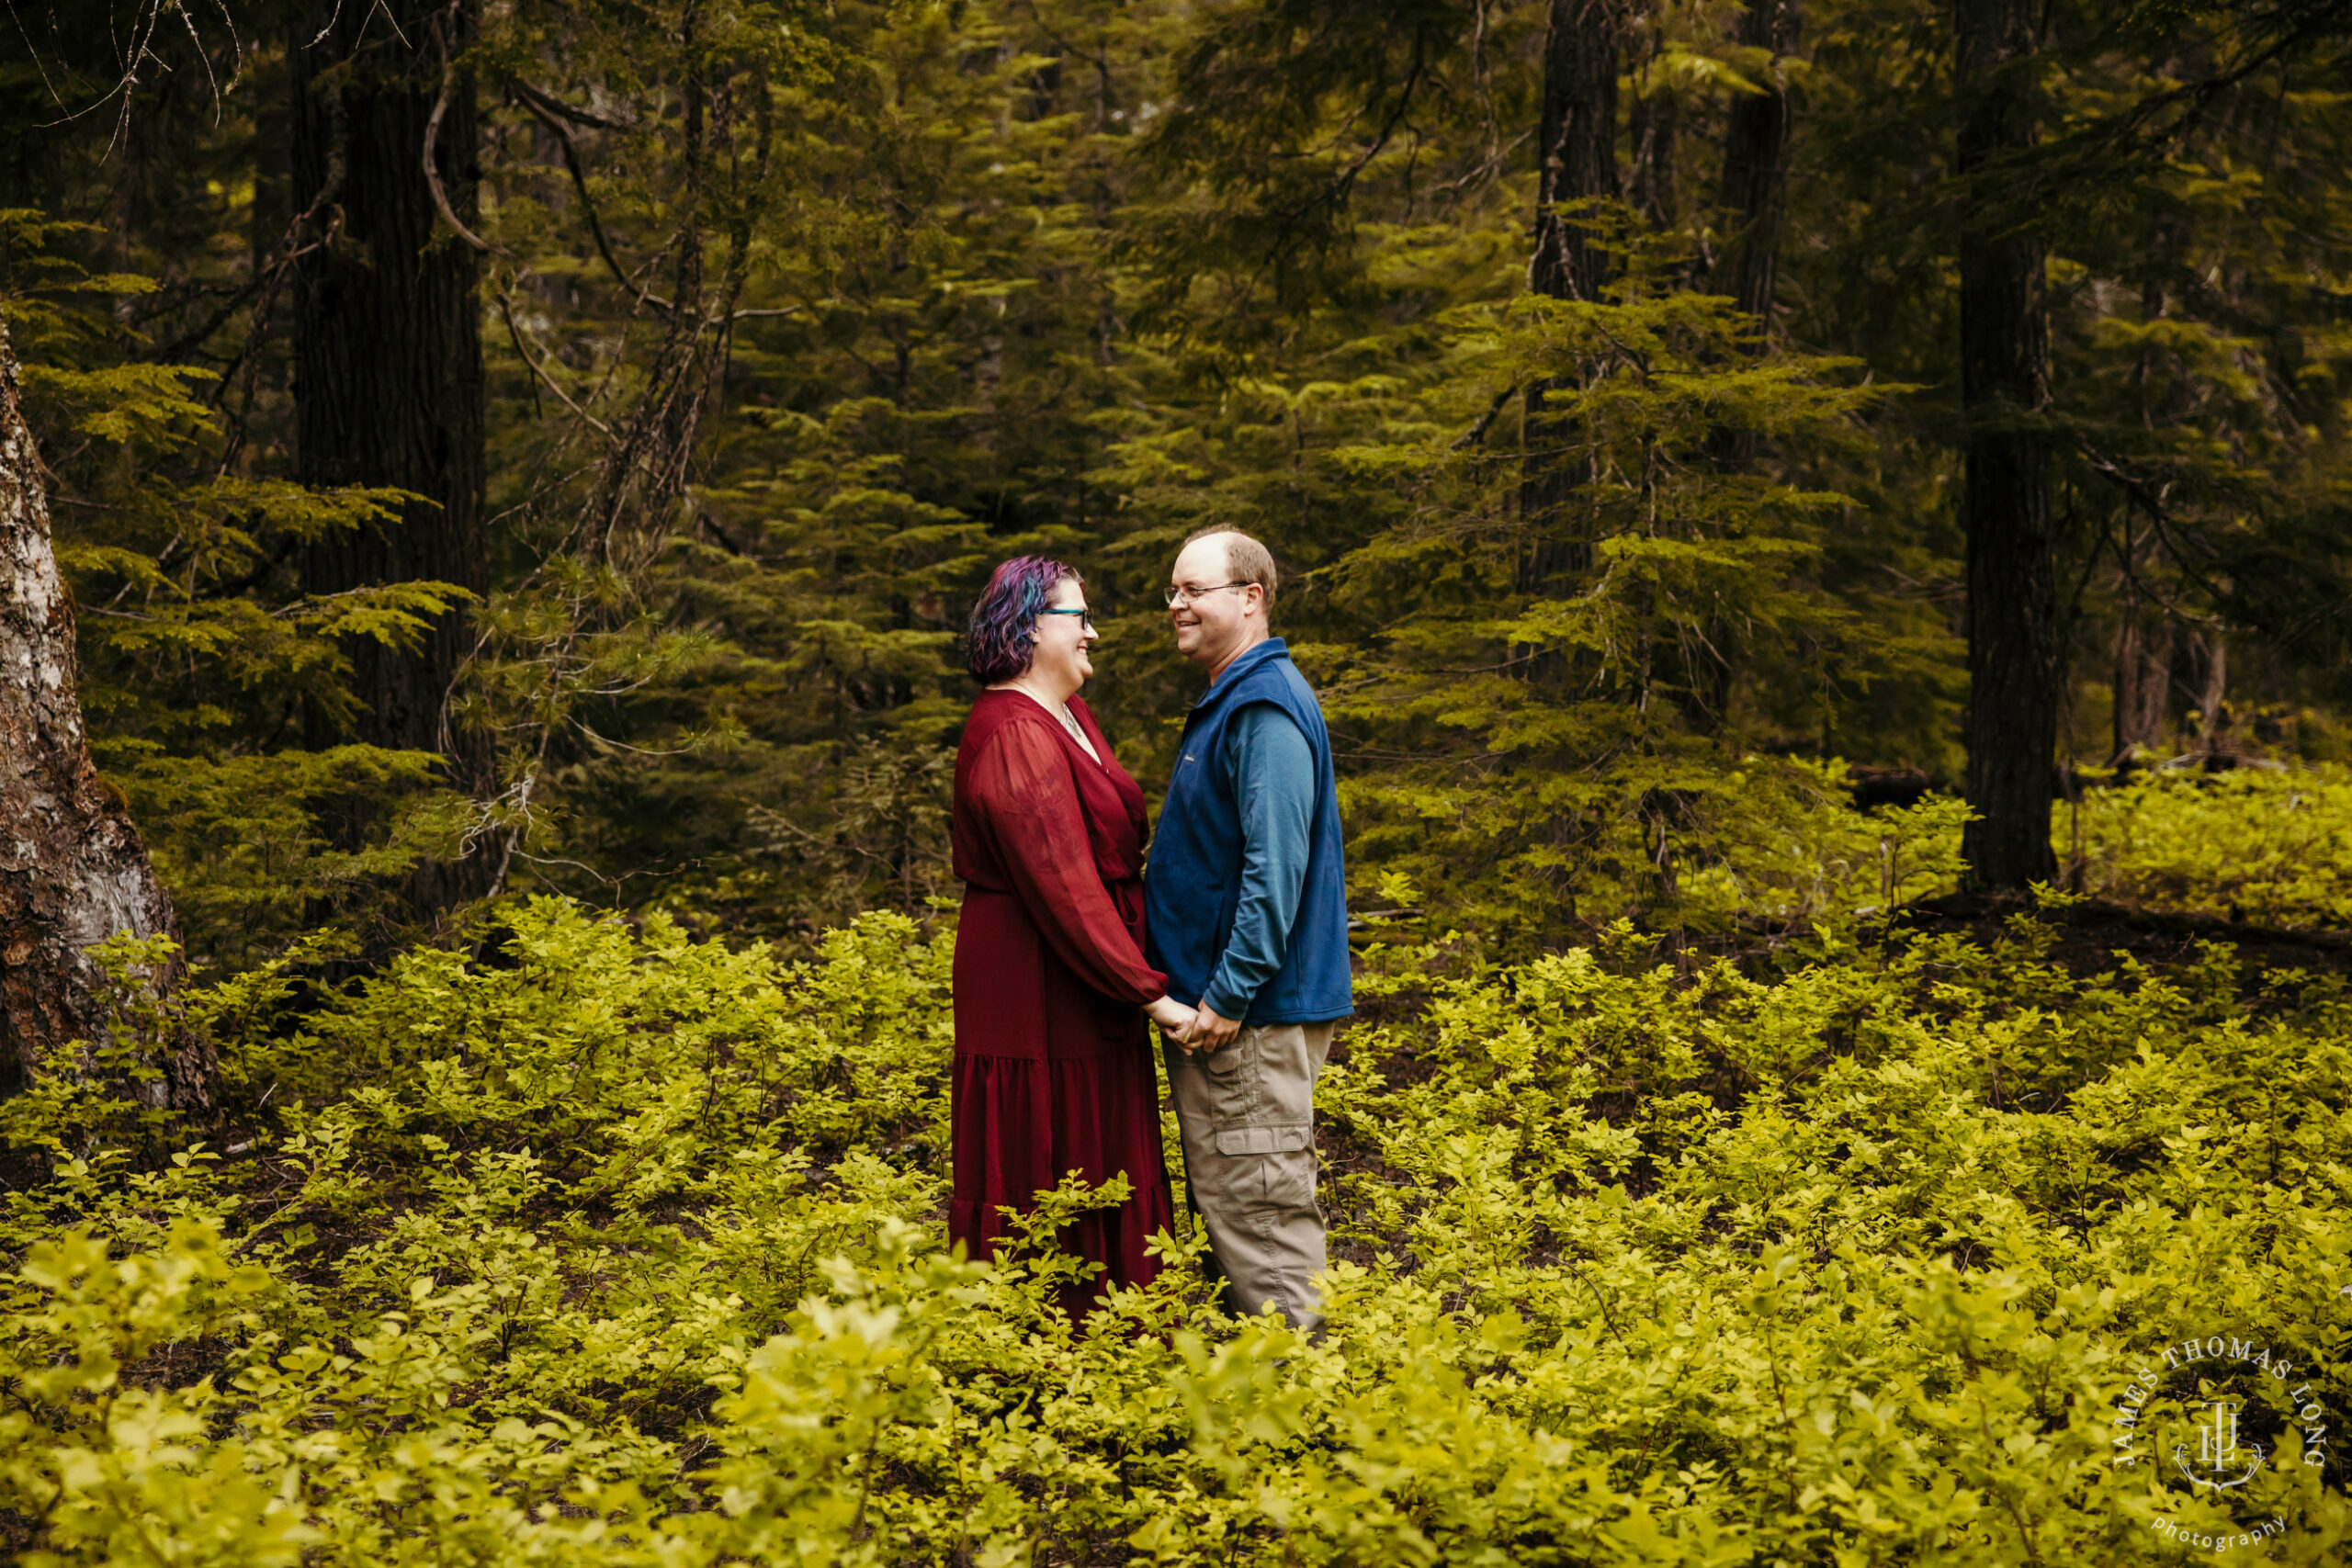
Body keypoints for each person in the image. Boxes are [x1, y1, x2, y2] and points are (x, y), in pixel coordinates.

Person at [948, 556, 1198, 1317]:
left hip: (1090, 979)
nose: (1093, 631)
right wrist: (1152, 996)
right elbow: (1063, 885)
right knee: (1050, 1151)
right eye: (1076, 616)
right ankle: (1050, 1353)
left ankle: (1126, 1342)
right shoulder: (1011, 733)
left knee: (1103, 1150)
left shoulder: (1068, 713)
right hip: (1037, 981)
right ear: (1028, 629)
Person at [1146, 528, 1351, 1332]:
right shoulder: (1234, 698)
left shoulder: (1263, 707)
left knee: (1262, 1225)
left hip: (1247, 1024)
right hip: (1232, 1022)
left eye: (1193, 589)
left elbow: (1276, 869)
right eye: (1173, 590)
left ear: (1250, 597)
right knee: (1237, 1215)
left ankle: (1304, 1425)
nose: (1177, 604)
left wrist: (1227, 994)